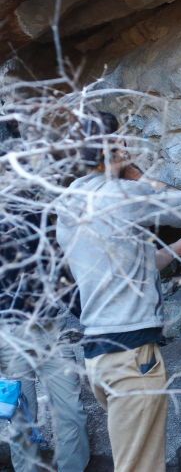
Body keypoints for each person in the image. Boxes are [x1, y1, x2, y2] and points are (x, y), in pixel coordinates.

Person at [55, 112, 181, 472]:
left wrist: (180, 248)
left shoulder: (70, 200)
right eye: (121, 141)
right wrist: (135, 174)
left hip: (100, 357)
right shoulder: (123, 194)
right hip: (132, 355)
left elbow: (130, 267)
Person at [0, 119, 90, 472]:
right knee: (26, 416)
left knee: (62, 410)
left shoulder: (39, 211)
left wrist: (85, 314)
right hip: (15, 332)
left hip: (44, 327)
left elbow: (61, 269)